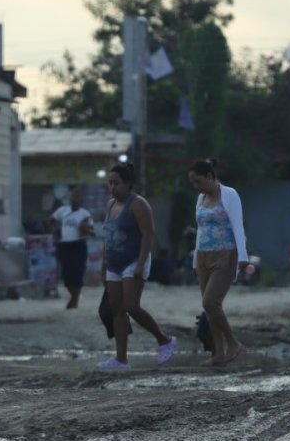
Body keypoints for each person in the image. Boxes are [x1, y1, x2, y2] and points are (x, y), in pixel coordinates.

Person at [98, 163, 177, 370]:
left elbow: (148, 234)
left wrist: (140, 263)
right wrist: (103, 263)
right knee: (116, 309)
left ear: (128, 183)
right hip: (113, 264)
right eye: (110, 183)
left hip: (133, 261)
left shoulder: (138, 204)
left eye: (116, 183)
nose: (112, 187)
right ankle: (121, 359)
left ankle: (164, 340)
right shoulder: (109, 205)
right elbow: (107, 236)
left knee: (131, 306)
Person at [188, 158, 249, 367]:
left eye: (199, 181)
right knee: (212, 308)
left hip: (225, 255)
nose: (197, 186)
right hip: (204, 256)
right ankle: (219, 353)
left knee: (210, 302)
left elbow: (238, 226)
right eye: (194, 183)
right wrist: (196, 260)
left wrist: (243, 257)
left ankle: (234, 343)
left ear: (210, 177)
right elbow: (200, 231)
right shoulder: (200, 199)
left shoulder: (229, 195)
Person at [48, 189, 94, 309]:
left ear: (82, 200)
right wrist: (54, 233)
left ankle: (74, 300)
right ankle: (74, 297)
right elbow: (51, 220)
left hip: (78, 245)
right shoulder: (63, 210)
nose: (75, 199)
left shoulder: (85, 214)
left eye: (78, 197)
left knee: (77, 273)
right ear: (70, 198)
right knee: (66, 275)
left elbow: (92, 231)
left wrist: (84, 228)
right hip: (64, 245)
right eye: (74, 197)